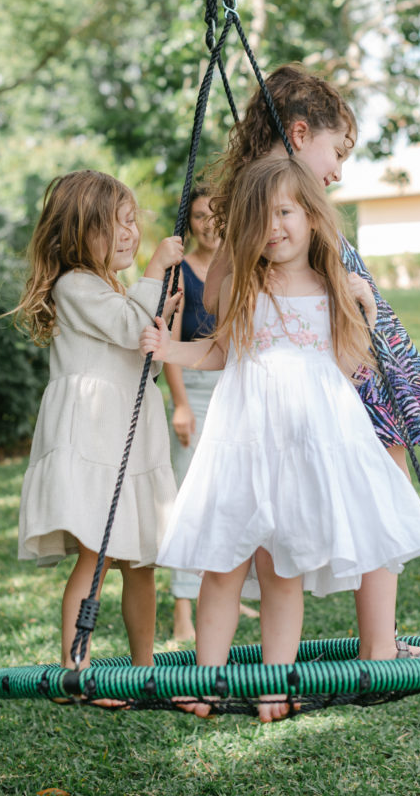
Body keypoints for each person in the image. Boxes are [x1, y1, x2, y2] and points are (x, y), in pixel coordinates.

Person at [141, 155, 420, 723]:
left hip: (310, 439)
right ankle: (207, 682)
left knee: (282, 567)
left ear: (312, 216)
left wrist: (364, 309)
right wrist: (169, 352)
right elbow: (220, 350)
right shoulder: (244, 281)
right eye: (261, 218)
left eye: (286, 212)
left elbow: (348, 362)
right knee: (223, 563)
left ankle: (275, 685)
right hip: (243, 437)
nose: (274, 227)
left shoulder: (332, 284)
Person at [204, 64, 420, 658]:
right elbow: (225, 288)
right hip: (335, 362)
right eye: (336, 150)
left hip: (345, 347)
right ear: (298, 135)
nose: (340, 170)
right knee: (379, 487)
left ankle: (381, 639)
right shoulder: (275, 204)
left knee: (381, 485)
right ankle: (379, 645)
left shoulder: (268, 196)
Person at [13, 169, 183, 699]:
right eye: (118, 224)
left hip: (130, 436)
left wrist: (163, 318)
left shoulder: (112, 288)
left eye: (134, 221)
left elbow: (144, 363)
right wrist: (155, 272)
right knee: (99, 553)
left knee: (141, 561)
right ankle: (75, 669)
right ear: (79, 234)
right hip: (95, 437)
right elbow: (132, 328)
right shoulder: (76, 285)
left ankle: (144, 666)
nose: (132, 233)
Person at [163, 185, 258, 641]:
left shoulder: (242, 262)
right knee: (190, 498)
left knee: (232, 495)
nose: (207, 224)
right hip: (196, 386)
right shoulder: (179, 272)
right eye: (199, 216)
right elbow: (172, 344)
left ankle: (226, 591)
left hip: (237, 384)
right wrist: (180, 404)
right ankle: (184, 607)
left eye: (215, 215)